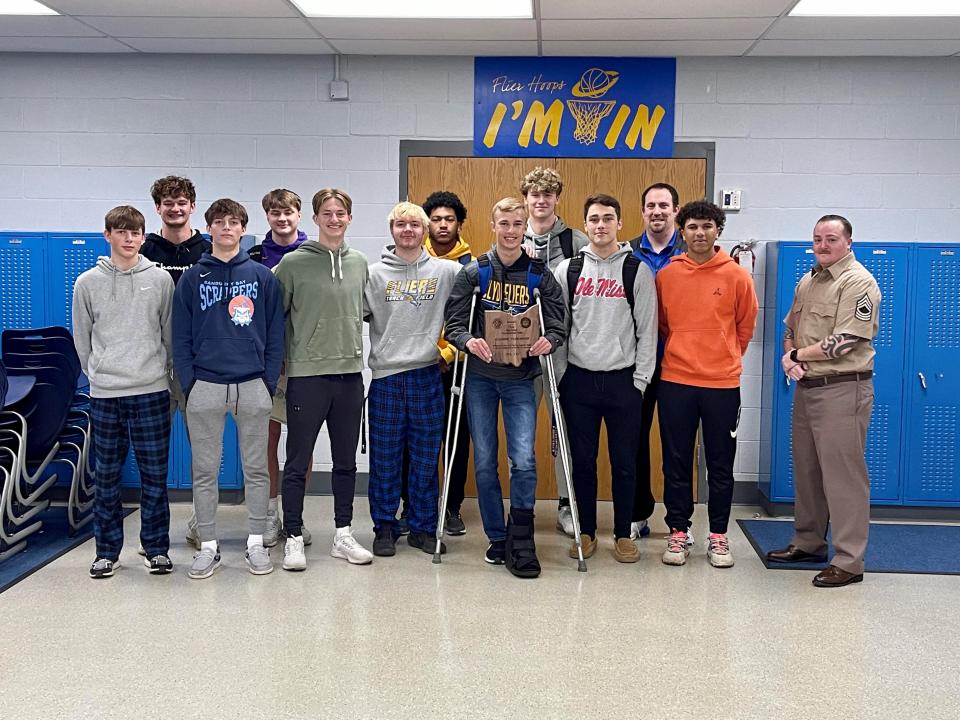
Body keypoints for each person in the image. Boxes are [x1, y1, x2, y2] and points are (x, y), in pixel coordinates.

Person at [444, 197, 566, 579]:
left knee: (524, 460)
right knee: (484, 461)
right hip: (481, 378)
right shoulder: (474, 272)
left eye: (517, 224)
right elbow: (454, 323)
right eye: (504, 224)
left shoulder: (538, 273)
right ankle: (498, 537)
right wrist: (467, 341)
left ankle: (522, 532)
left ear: (523, 226)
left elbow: (559, 323)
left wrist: (551, 340)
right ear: (493, 225)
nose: (511, 231)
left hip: (520, 381)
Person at [767, 215, 881, 588]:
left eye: (831, 238)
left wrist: (797, 356)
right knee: (808, 470)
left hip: (843, 388)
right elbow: (790, 329)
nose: (822, 245)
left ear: (848, 241)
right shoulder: (808, 279)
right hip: (809, 389)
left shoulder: (858, 282)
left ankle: (849, 560)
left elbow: (847, 341)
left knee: (844, 477)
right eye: (817, 238)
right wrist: (788, 354)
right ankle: (809, 542)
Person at [172, 199, 284, 579]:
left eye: (233, 222)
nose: (226, 228)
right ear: (209, 229)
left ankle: (255, 542)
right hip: (205, 384)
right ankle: (207, 546)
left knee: (256, 469)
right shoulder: (192, 278)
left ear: (242, 228)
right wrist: (190, 383)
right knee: (204, 471)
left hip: (252, 383)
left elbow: (275, 336)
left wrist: (267, 382)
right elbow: (180, 336)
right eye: (219, 222)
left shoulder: (263, 277)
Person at [554, 194, 657, 562]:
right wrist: (563, 377)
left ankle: (622, 533)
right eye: (594, 219)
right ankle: (585, 532)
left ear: (619, 223)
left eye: (608, 218)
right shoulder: (567, 270)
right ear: (585, 225)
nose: (601, 225)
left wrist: (641, 380)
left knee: (625, 461)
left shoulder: (636, 270)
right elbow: (559, 329)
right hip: (579, 382)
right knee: (582, 461)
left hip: (623, 382)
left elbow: (648, 330)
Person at [273, 188, 372, 570]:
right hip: (307, 375)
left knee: (346, 461)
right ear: (314, 218)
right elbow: (274, 318)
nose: (334, 219)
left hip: (349, 375)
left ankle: (343, 534)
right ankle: (294, 536)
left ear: (349, 218)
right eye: (327, 213)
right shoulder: (292, 264)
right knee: (298, 460)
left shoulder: (361, 263)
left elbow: (363, 311)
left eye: (341, 213)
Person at [74, 206, 175, 578]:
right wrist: (98, 375)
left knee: (154, 476)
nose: (128, 238)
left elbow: (169, 333)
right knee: (106, 477)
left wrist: (158, 373)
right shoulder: (87, 283)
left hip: (150, 390)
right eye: (121, 231)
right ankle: (106, 552)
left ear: (143, 237)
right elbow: (81, 339)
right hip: (105, 394)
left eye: (135, 232)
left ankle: (156, 548)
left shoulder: (161, 280)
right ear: (107, 235)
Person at [657, 200, 757, 569]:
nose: (700, 233)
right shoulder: (667, 275)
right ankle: (678, 532)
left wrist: (723, 355)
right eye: (693, 227)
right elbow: (664, 325)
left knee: (720, 464)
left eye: (707, 227)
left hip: (721, 385)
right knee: (676, 462)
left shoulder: (736, 276)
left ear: (718, 231)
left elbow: (745, 327)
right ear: (681, 232)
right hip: (676, 382)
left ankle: (718, 535)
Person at [364, 202, 461, 557]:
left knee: (424, 458)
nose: (408, 230)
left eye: (415, 225)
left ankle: (422, 527)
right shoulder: (373, 275)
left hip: (426, 375)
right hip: (387, 377)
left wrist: (449, 351)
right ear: (392, 231)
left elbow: (481, 285)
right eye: (400, 225)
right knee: (385, 458)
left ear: (425, 231)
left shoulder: (447, 271)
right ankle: (385, 526)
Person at [142, 175, 212, 545]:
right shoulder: (145, 252)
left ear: (192, 206)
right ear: (158, 208)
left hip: (197, 369)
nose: (175, 208)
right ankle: (154, 537)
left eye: (182, 201)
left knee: (203, 454)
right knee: (154, 459)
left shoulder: (208, 251)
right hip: (152, 369)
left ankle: (203, 526)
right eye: (168, 202)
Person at [520, 166, 588, 537]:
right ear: (526, 199)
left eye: (548, 195)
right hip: (522, 352)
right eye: (535, 195)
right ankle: (523, 504)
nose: (541, 201)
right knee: (522, 431)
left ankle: (567, 504)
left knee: (563, 431)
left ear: (557, 199)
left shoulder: (575, 242)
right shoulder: (513, 236)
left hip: (561, 351)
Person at [627, 182, 690, 543]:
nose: (657, 211)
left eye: (664, 205)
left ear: (675, 210)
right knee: (634, 441)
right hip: (637, 363)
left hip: (678, 365)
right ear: (643, 212)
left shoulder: (692, 252)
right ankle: (638, 514)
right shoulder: (627, 253)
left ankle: (679, 522)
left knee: (677, 446)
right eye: (650, 205)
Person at [247, 189, 309, 548]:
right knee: (266, 441)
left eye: (288, 212)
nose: (282, 219)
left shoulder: (314, 254)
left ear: (299, 215)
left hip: (305, 361)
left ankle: (294, 517)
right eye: (274, 213)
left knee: (301, 444)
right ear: (267, 216)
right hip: (266, 363)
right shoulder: (254, 256)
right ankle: (269, 515)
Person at [421, 190, 474, 535]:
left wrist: (448, 351)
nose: (443, 225)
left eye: (449, 219)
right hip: (418, 363)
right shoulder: (411, 259)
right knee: (419, 440)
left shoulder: (473, 265)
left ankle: (452, 507)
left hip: (456, 363)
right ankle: (416, 506)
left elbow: (470, 318)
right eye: (437, 219)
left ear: (458, 224)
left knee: (455, 439)